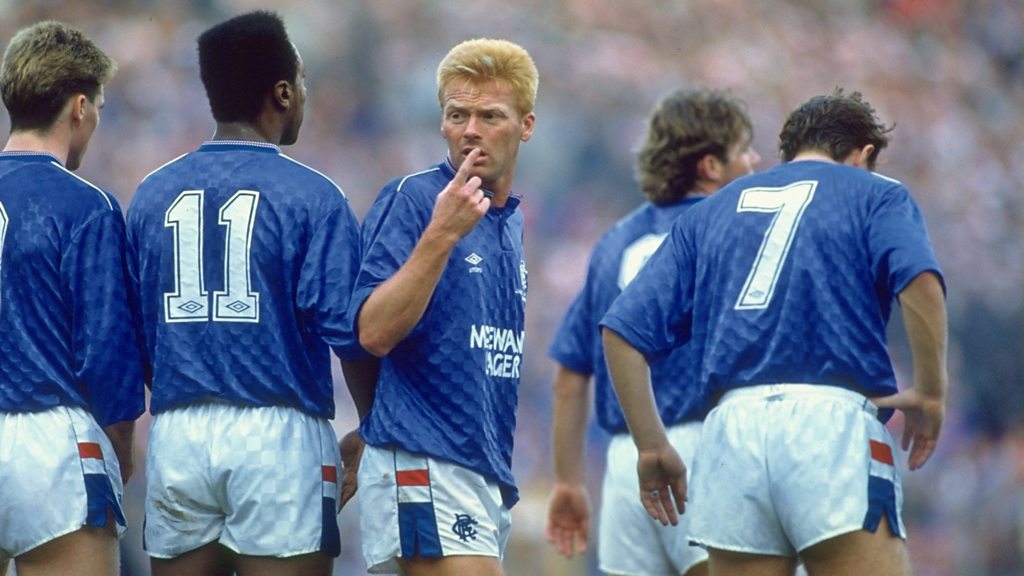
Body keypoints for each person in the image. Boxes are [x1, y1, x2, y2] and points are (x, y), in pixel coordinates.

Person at [601, 88, 948, 576]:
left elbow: (621, 331)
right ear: (863, 155)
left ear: (788, 152)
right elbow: (920, 281)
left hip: (729, 433)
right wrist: (931, 392)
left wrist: (652, 444)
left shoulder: (709, 211)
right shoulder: (877, 193)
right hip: (831, 423)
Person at [125, 11, 373, 576]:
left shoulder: (152, 194)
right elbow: (349, 331)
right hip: (279, 435)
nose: (304, 94)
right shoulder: (314, 195)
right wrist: (371, 422)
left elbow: (139, 336)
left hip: (179, 431)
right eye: (301, 81)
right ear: (282, 93)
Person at [544, 87, 760, 576]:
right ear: (710, 166)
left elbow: (569, 378)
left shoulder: (612, 243)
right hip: (706, 451)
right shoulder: (734, 229)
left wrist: (568, 482)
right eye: (744, 149)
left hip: (626, 466)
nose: (755, 160)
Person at [351, 38, 537, 575]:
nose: (470, 130)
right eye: (458, 115)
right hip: (426, 458)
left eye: (490, 116)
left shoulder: (510, 221)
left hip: (479, 468)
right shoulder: (415, 200)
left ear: (526, 126)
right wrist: (440, 234)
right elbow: (370, 332)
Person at [0, 20, 144, 576]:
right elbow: (106, 351)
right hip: (50, 445)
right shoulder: (85, 205)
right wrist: (120, 447)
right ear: (79, 107)